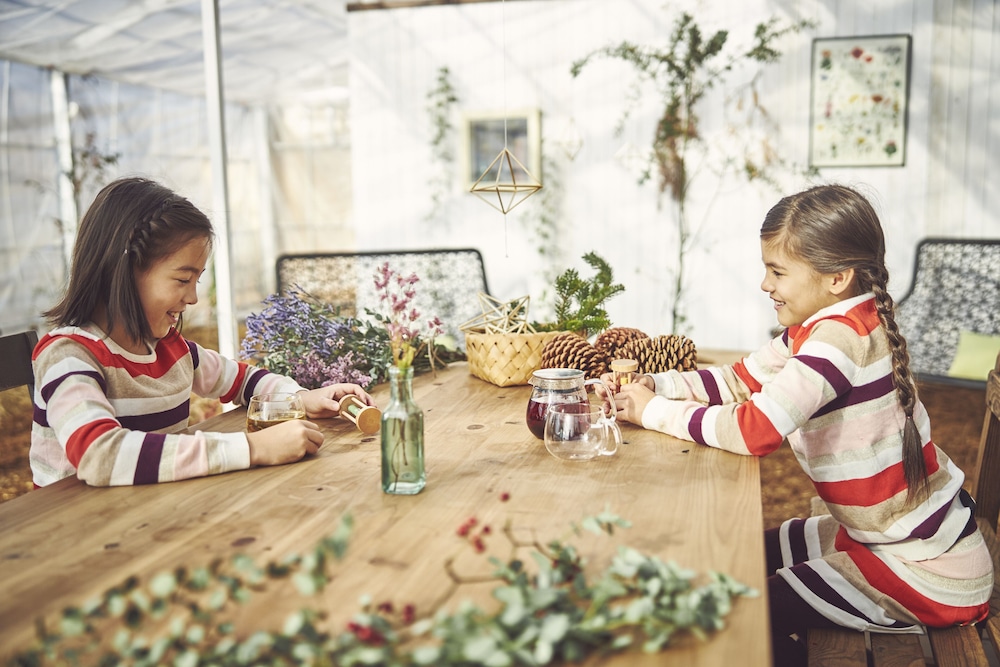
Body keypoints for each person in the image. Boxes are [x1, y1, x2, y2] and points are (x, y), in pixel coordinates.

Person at [601, 184, 993, 665]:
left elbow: (755, 430)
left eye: (778, 271)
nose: (765, 284)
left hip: (928, 575)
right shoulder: (824, 327)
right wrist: (657, 385)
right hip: (887, 538)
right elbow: (740, 379)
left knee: (747, 607)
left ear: (837, 278)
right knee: (746, 554)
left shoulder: (837, 342)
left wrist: (653, 413)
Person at [31, 176, 375, 488]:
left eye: (197, 280)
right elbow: (100, 455)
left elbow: (243, 380)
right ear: (124, 269)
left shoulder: (171, 350)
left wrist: (301, 398)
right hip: (74, 529)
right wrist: (251, 448)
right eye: (183, 279)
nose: (194, 297)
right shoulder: (68, 357)